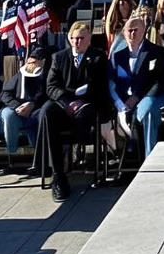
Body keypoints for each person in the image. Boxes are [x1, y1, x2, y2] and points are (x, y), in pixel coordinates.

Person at [34, 21, 112, 201]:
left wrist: (79, 102)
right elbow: (51, 86)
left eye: (81, 38)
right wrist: (67, 101)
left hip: (86, 104)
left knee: (86, 115)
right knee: (46, 112)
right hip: (64, 103)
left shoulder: (98, 57)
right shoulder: (59, 57)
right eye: (74, 38)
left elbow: (100, 86)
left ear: (89, 39)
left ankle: (72, 150)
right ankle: (58, 175)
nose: (77, 42)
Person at [108, 14, 164, 157]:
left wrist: (136, 97)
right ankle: (124, 158)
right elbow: (111, 83)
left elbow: (156, 81)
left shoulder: (155, 52)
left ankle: (149, 157)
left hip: (148, 95)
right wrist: (120, 103)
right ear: (124, 33)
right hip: (122, 102)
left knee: (147, 111)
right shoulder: (117, 56)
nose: (132, 33)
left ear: (144, 31)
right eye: (129, 30)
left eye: (136, 30)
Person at [0, 45, 48, 170]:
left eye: (34, 62)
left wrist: (32, 104)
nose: (31, 65)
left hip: (35, 109)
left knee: (39, 117)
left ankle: (39, 160)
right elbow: (5, 94)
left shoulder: (45, 76)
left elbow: (45, 95)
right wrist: (17, 106)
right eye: (30, 61)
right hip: (14, 108)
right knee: (8, 116)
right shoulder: (20, 75)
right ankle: (11, 155)